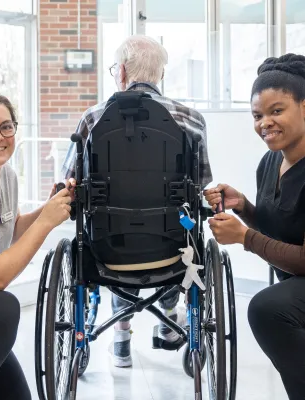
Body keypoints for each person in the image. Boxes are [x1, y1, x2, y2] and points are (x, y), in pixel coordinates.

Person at [62, 35, 213, 368]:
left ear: (123, 72)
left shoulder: (92, 119)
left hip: (108, 253)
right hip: (172, 254)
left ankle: (121, 332)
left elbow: (68, 184)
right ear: (159, 74)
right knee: (179, 227)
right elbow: (200, 186)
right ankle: (171, 317)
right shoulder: (191, 119)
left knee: (110, 223)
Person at [204, 53, 305, 400]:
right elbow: (280, 230)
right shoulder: (269, 162)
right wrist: (244, 207)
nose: (265, 123)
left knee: (268, 308)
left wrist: (244, 237)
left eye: (277, 111)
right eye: (257, 115)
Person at [0, 90, 72, 400]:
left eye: (6, 126)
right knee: (3, 307)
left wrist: (50, 207)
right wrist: (47, 223)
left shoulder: (6, 177)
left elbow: (10, 230)